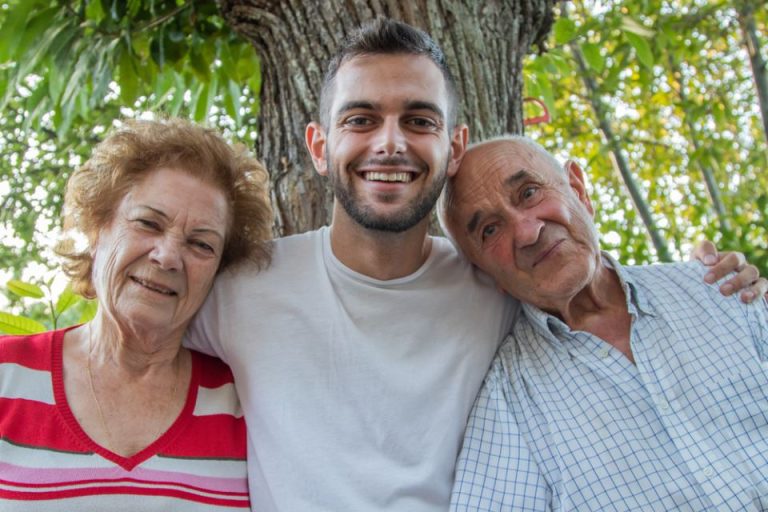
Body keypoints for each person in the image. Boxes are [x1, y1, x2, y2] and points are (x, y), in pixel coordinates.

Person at [185, 18, 765, 512]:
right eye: (361, 119)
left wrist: (715, 285)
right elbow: (137, 339)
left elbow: (582, 278)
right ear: (319, 147)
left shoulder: (495, 285)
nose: (390, 143)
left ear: (453, 147)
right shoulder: (242, 287)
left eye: (419, 120)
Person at [439, 135, 768, 511]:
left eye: (529, 193)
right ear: (485, 273)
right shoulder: (510, 404)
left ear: (578, 189)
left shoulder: (720, 291)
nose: (528, 232)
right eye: (490, 230)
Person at [0, 118, 273, 510]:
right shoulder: (7, 375)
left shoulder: (244, 401)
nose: (168, 256)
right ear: (97, 229)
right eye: (148, 223)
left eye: (201, 244)